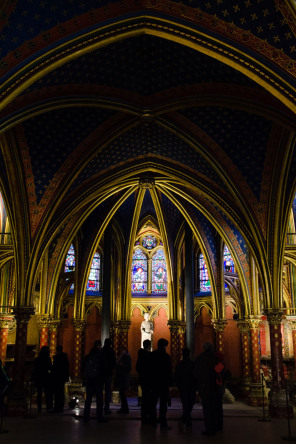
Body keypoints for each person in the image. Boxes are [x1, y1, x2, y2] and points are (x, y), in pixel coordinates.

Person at [194, 342, 221, 436]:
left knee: (207, 409)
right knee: (214, 408)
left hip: (204, 387)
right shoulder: (215, 358)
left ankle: (209, 428)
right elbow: (220, 371)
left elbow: (196, 373)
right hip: (214, 387)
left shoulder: (200, 358)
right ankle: (216, 426)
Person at [82, 340, 107, 423]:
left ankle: (86, 416)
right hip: (98, 380)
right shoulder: (101, 356)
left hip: (89, 380)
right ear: (99, 346)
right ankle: (99, 417)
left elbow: (83, 367)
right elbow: (103, 368)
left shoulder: (88, 356)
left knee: (88, 399)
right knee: (99, 400)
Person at [151, 338, 172, 430]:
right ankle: (163, 422)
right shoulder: (166, 357)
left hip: (154, 382)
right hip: (163, 383)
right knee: (163, 404)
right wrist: (170, 384)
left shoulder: (152, 355)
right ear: (164, 346)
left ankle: (153, 421)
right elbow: (168, 371)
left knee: (153, 403)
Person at [175, 348, 196, 429]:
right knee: (190, 402)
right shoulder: (192, 364)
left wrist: (178, 385)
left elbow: (177, 376)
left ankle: (185, 418)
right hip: (190, 386)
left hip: (184, 386)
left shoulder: (180, 365)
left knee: (186, 403)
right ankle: (187, 420)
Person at [136, 339, 152, 424]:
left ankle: (143, 416)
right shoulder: (149, 355)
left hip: (142, 379)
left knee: (144, 397)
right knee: (148, 398)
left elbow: (137, 367)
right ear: (149, 346)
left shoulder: (140, 355)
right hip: (148, 379)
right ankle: (148, 415)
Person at [32, 345, 53, 413]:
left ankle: (39, 408)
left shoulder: (37, 359)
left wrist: (33, 377)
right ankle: (48, 407)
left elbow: (34, 369)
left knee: (39, 393)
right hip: (46, 377)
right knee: (47, 393)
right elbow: (50, 367)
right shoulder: (48, 359)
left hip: (39, 377)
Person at [51, 345, 69, 413]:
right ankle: (60, 407)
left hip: (57, 377)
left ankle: (57, 407)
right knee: (61, 392)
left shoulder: (57, 358)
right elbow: (67, 368)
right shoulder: (65, 358)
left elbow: (54, 369)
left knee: (57, 393)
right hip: (62, 377)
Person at [101, 338, 116, 415]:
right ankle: (106, 408)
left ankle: (100, 408)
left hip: (101, 373)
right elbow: (114, 362)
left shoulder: (101, 351)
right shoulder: (111, 351)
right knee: (107, 391)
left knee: (100, 391)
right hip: (108, 373)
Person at [115, 346, 132, 414]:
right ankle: (124, 407)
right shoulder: (122, 357)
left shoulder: (126, 357)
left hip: (123, 377)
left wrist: (121, 365)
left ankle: (124, 408)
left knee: (123, 394)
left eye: (122, 350)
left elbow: (128, 367)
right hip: (122, 377)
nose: (121, 351)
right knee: (122, 393)